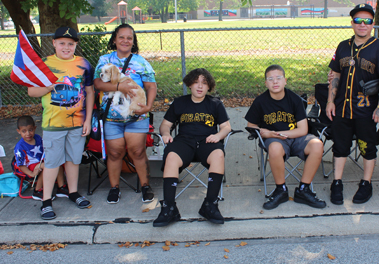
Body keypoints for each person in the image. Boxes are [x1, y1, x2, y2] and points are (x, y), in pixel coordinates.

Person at [326, 4, 379, 205]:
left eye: (368, 21)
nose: (363, 24)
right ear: (352, 23)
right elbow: (335, 73)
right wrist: (330, 101)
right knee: (340, 146)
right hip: (342, 107)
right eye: (358, 20)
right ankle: (336, 182)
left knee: (367, 146)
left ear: (372, 24)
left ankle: (366, 183)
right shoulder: (343, 46)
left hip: (366, 110)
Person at [27, 26, 94, 220]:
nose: (66, 47)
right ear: (54, 43)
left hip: (77, 123)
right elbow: (32, 91)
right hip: (53, 124)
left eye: (71, 44)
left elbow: (89, 92)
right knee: (52, 162)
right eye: (62, 43)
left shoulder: (83, 64)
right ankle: (46, 201)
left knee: (74, 159)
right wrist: (49, 87)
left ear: (76, 45)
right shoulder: (44, 64)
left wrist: (88, 119)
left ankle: (73, 192)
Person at [153, 68, 231, 227]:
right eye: (196, 82)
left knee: (218, 155)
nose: (200, 86)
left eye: (204, 83)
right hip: (185, 141)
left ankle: (210, 205)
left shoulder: (215, 104)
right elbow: (165, 125)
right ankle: (169, 208)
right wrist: (166, 134)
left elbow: (226, 127)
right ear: (189, 84)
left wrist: (218, 136)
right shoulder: (180, 103)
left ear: (209, 87)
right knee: (171, 156)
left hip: (207, 141)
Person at [245, 64, 326, 210]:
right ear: (265, 83)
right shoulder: (260, 101)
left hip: (296, 137)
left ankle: (304, 190)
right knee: (275, 148)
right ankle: (281, 190)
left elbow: (303, 129)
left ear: (285, 81)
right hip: (274, 140)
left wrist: (282, 134)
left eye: (278, 78)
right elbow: (251, 126)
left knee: (317, 144)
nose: (275, 82)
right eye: (270, 79)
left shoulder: (294, 99)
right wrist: (267, 133)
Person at [94, 24, 157, 204]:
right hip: (111, 118)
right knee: (115, 153)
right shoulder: (105, 59)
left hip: (136, 116)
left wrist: (148, 106)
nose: (125, 41)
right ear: (114, 39)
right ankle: (114, 188)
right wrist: (118, 87)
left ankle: (145, 186)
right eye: (121, 37)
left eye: (129, 38)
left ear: (133, 41)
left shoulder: (140, 61)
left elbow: (151, 86)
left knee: (137, 151)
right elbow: (98, 84)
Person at [13, 116, 68, 200]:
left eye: (30, 130)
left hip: (41, 162)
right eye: (24, 131)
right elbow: (21, 165)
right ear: (18, 131)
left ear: (35, 128)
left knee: (56, 163)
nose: (28, 133)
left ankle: (61, 188)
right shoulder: (19, 147)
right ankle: (37, 191)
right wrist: (31, 174)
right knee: (47, 166)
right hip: (29, 166)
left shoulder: (38, 138)